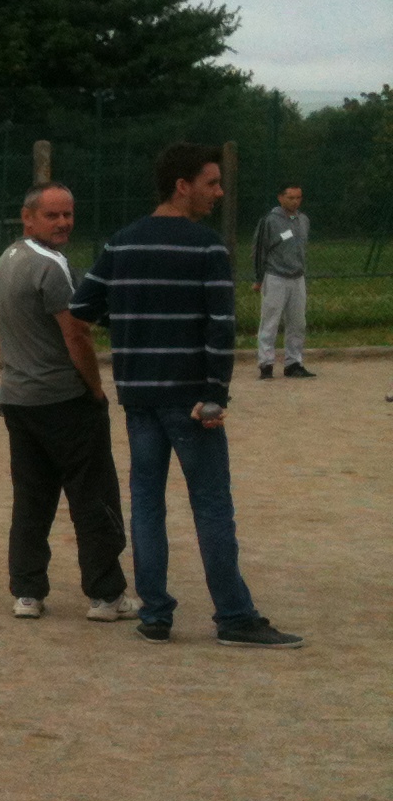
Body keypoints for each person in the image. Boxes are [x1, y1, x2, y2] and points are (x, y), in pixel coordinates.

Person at [67, 143, 302, 648]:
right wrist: (216, 394)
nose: (218, 193)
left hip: (139, 398)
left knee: (147, 505)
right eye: (211, 183)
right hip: (193, 401)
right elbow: (221, 327)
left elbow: (81, 309)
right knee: (213, 506)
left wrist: (131, 323)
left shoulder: (123, 243)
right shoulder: (207, 247)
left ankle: (156, 615)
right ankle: (235, 618)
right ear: (182, 185)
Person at [0, 183, 132, 623]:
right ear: (27, 216)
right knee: (94, 496)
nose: (63, 223)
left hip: (19, 400)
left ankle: (28, 592)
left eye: (68, 214)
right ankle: (106, 596)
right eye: (52, 215)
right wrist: (94, 390)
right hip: (63, 400)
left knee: (32, 499)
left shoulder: (7, 259)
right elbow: (77, 334)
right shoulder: (53, 267)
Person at [252, 184, 312, 380]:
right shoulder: (269, 221)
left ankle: (293, 363)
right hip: (275, 276)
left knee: (297, 322)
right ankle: (266, 364)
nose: (295, 201)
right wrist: (258, 278)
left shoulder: (303, 220)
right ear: (280, 198)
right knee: (270, 321)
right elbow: (259, 249)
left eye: (298, 197)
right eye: (290, 197)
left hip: (297, 277)